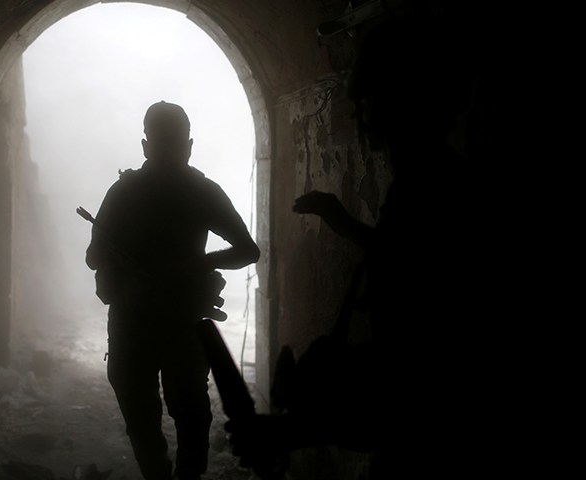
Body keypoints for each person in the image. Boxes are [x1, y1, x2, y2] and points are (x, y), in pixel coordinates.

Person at [225, 2, 488, 477]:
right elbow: (410, 265)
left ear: (404, 96)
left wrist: (292, 431)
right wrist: (343, 221)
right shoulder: (432, 188)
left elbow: (426, 385)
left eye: (365, 95)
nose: (356, 110)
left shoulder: (431, 195)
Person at [85, 100, 260, 480]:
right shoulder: (187, 191)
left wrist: (196, 264)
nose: (166, 150)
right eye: (164, 142)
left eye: (171, 142)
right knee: (162, 420)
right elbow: (95, 257)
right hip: (154, 321)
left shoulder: (139, 191)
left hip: (166, 322)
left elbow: (249, 251)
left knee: (180, 420)